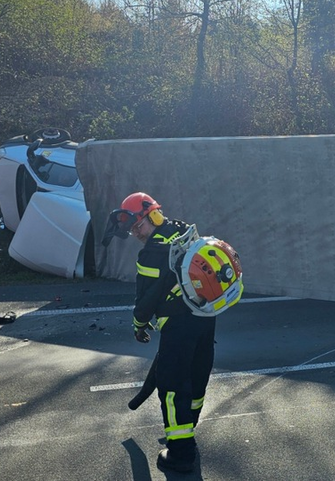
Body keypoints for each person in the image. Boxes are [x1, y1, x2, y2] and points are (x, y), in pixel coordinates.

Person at [106, 191, 216, 474]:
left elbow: (146, 299)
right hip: (205, 317)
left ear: (153, 216)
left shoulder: (151, 253)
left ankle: (180, 454)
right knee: (196, 378)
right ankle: (187, 431)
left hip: (178, 326)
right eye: (132, 230)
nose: (137, 233)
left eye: (139, 226)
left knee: (172, 388)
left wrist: (139, 325)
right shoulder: (182, 230)